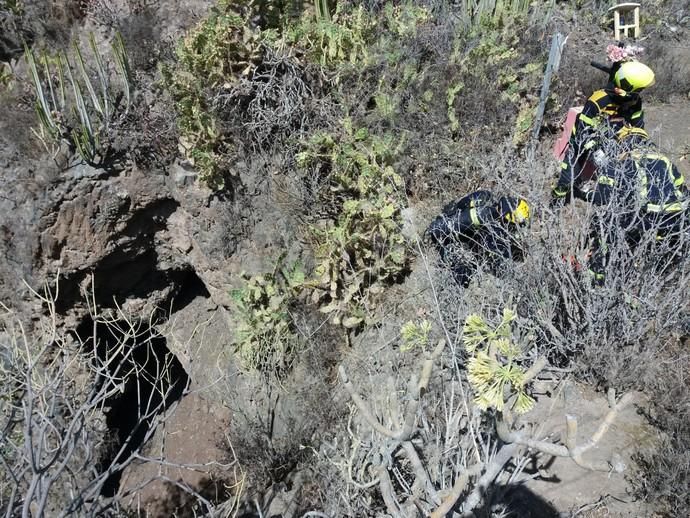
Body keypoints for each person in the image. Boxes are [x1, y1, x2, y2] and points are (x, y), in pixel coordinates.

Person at [585, 127, 688, 284]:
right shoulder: (664, 160)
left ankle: (600, 276)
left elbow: (602, 198)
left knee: (605, 223)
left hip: (647, 215)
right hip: (677, 215)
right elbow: (683, 190)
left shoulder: (621, 161)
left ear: (624, 144)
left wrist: (582, 194)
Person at [552, 60, 656, 203]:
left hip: (613, 141)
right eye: (638, 90)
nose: (639, 94)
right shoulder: (599, 100)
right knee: (567, 176)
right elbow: (582, 130)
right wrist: (596, 149)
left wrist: (640, 145)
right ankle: (556, 201)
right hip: (583, 142)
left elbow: (637, 125)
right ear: (627, 88)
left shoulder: (634, 102)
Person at [426, 191, 530, 287]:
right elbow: (443, 227)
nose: (514, 228)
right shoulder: (482, 214)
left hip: (468, 238)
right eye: (513, 224)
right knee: (463, 275)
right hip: (450, 240)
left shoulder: (494, 219)